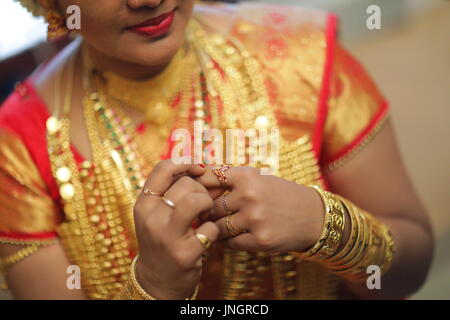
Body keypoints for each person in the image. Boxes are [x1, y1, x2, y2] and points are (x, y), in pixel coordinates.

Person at [0, 0, 433, 300]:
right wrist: (154, 286)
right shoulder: (19, 142)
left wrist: (325, 225)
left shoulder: (303, 58)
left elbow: (410, 269)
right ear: (52, 5)